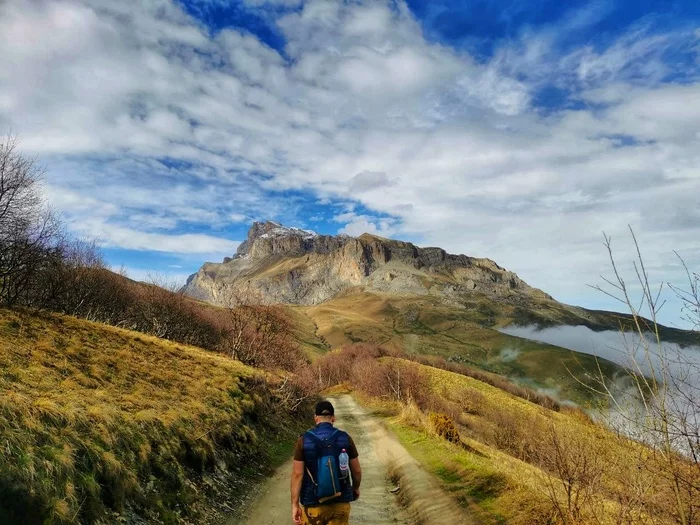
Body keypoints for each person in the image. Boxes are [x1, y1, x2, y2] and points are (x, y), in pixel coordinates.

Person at [291, 401, 362, 525]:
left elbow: (297, 474)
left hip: (313, 505)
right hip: (340, 502)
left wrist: (295, 505)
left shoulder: (303, 440)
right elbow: (356, 470)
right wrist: (355, 488)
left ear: (315, 418)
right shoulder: (345, 438)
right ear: (333, 418)